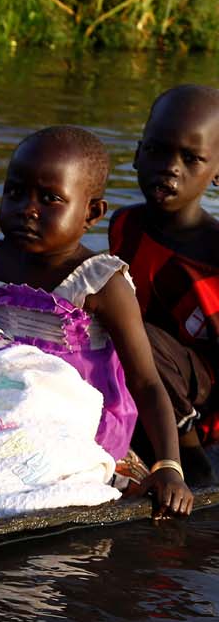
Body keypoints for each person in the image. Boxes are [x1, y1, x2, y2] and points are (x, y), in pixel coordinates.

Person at [0, 126, 193, 517]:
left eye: (50, 199)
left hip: (72, 413)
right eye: (15, 192)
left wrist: (169, 467)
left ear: (91, 213)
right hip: (4, 391)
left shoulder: (101, 282)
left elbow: (146, 381)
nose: (28, 209)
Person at [109, 84, 219, 484]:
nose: (170, 167)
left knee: (140, 336)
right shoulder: (126, 224)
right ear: (138, 155)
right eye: (157, 151)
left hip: (201, 399)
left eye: (191, 159)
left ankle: (190, 461)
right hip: (146, 375)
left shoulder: (212, 257)